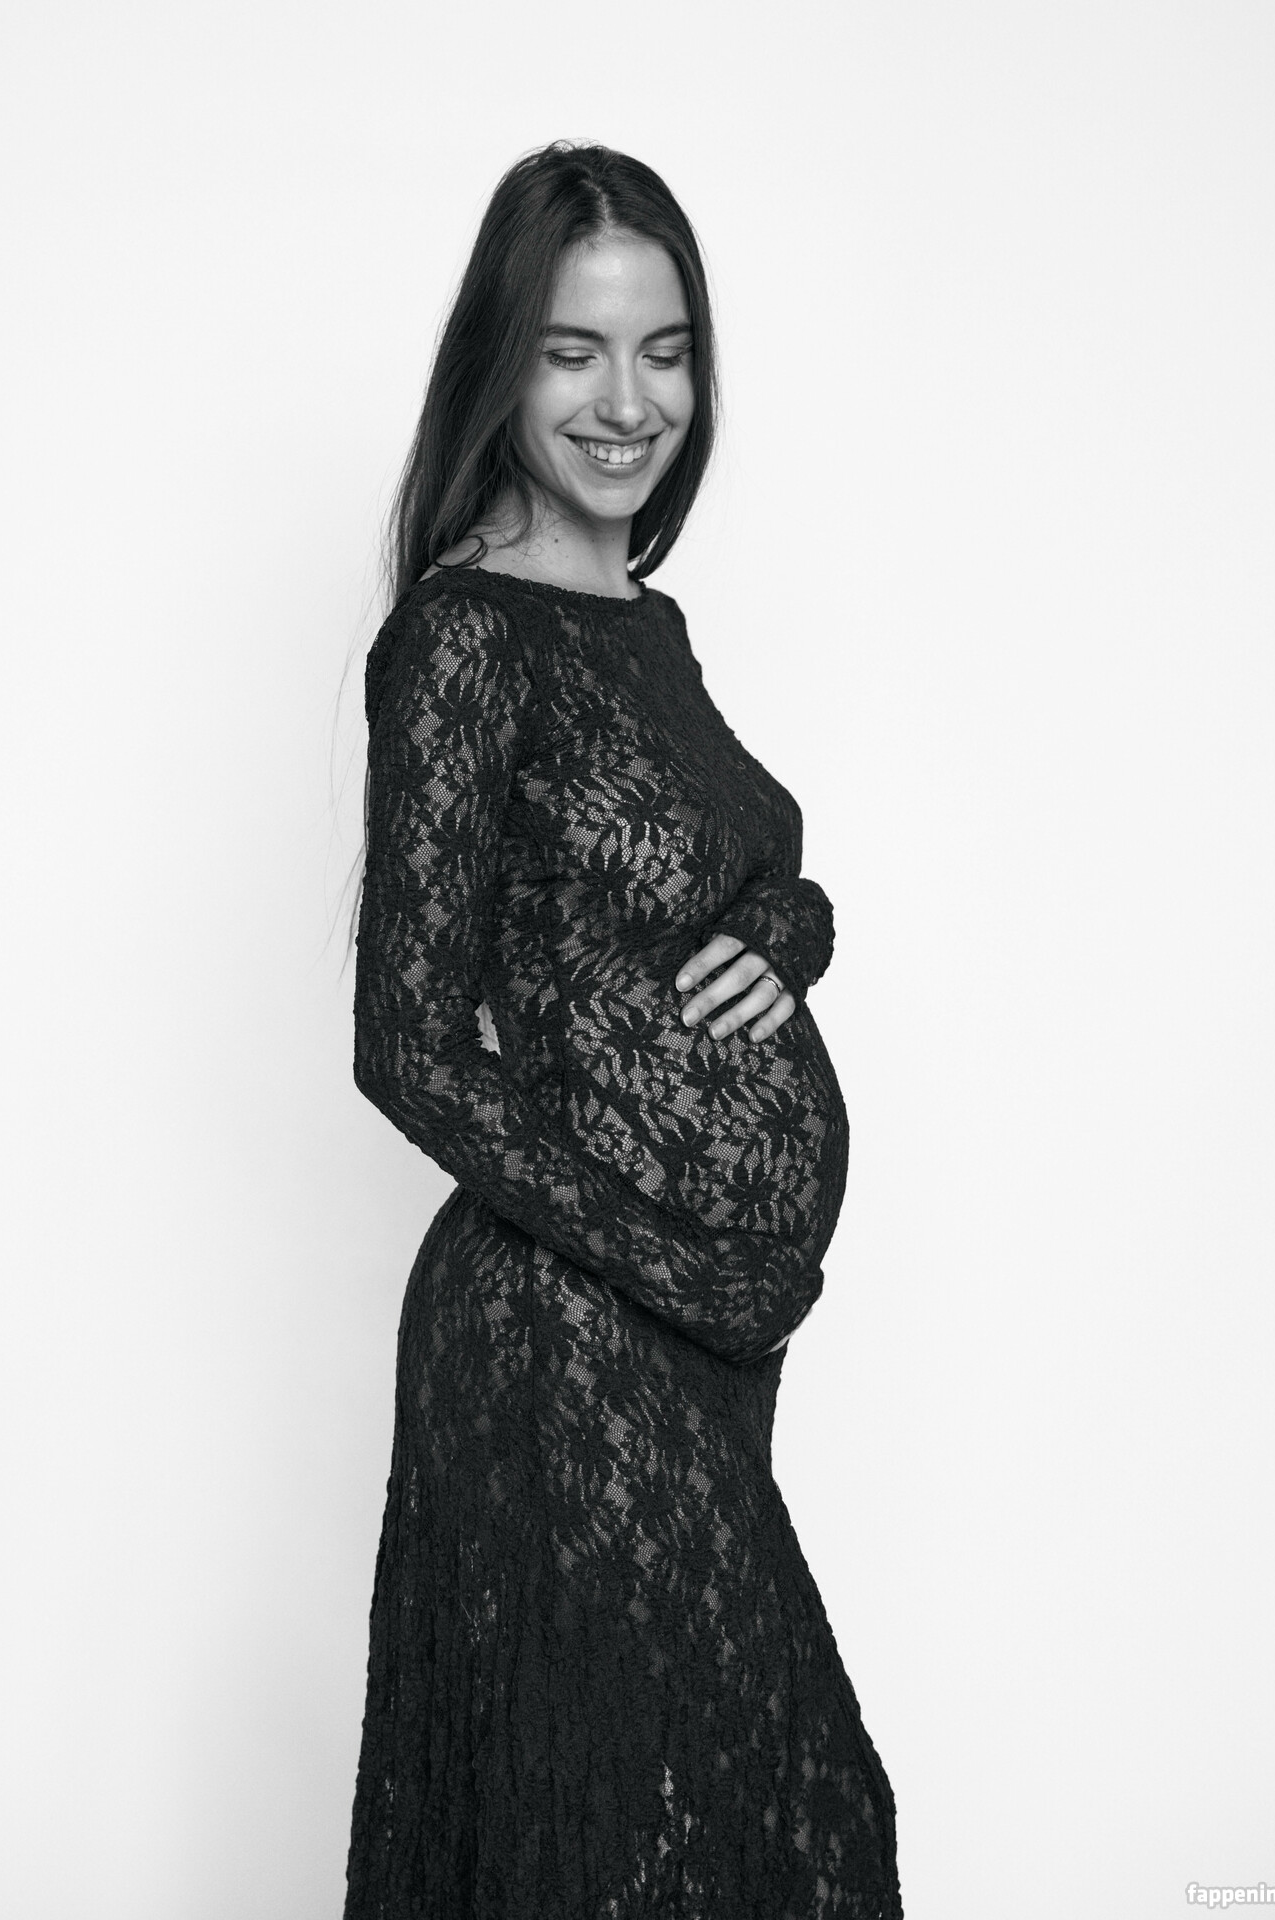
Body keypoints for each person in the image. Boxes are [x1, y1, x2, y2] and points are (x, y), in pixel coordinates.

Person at [344, 140, 902, 1919]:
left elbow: (721, 866)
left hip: (694, 1347)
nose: (627, 400)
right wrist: (692, 1270)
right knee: (723, 1833)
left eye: (665, 350)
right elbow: (406, 1046)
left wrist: (790, 924)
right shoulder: (465, 638)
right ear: (500, 366)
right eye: (574, 351)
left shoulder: (645, 623)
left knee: (717, 1838)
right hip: (564, 1338)